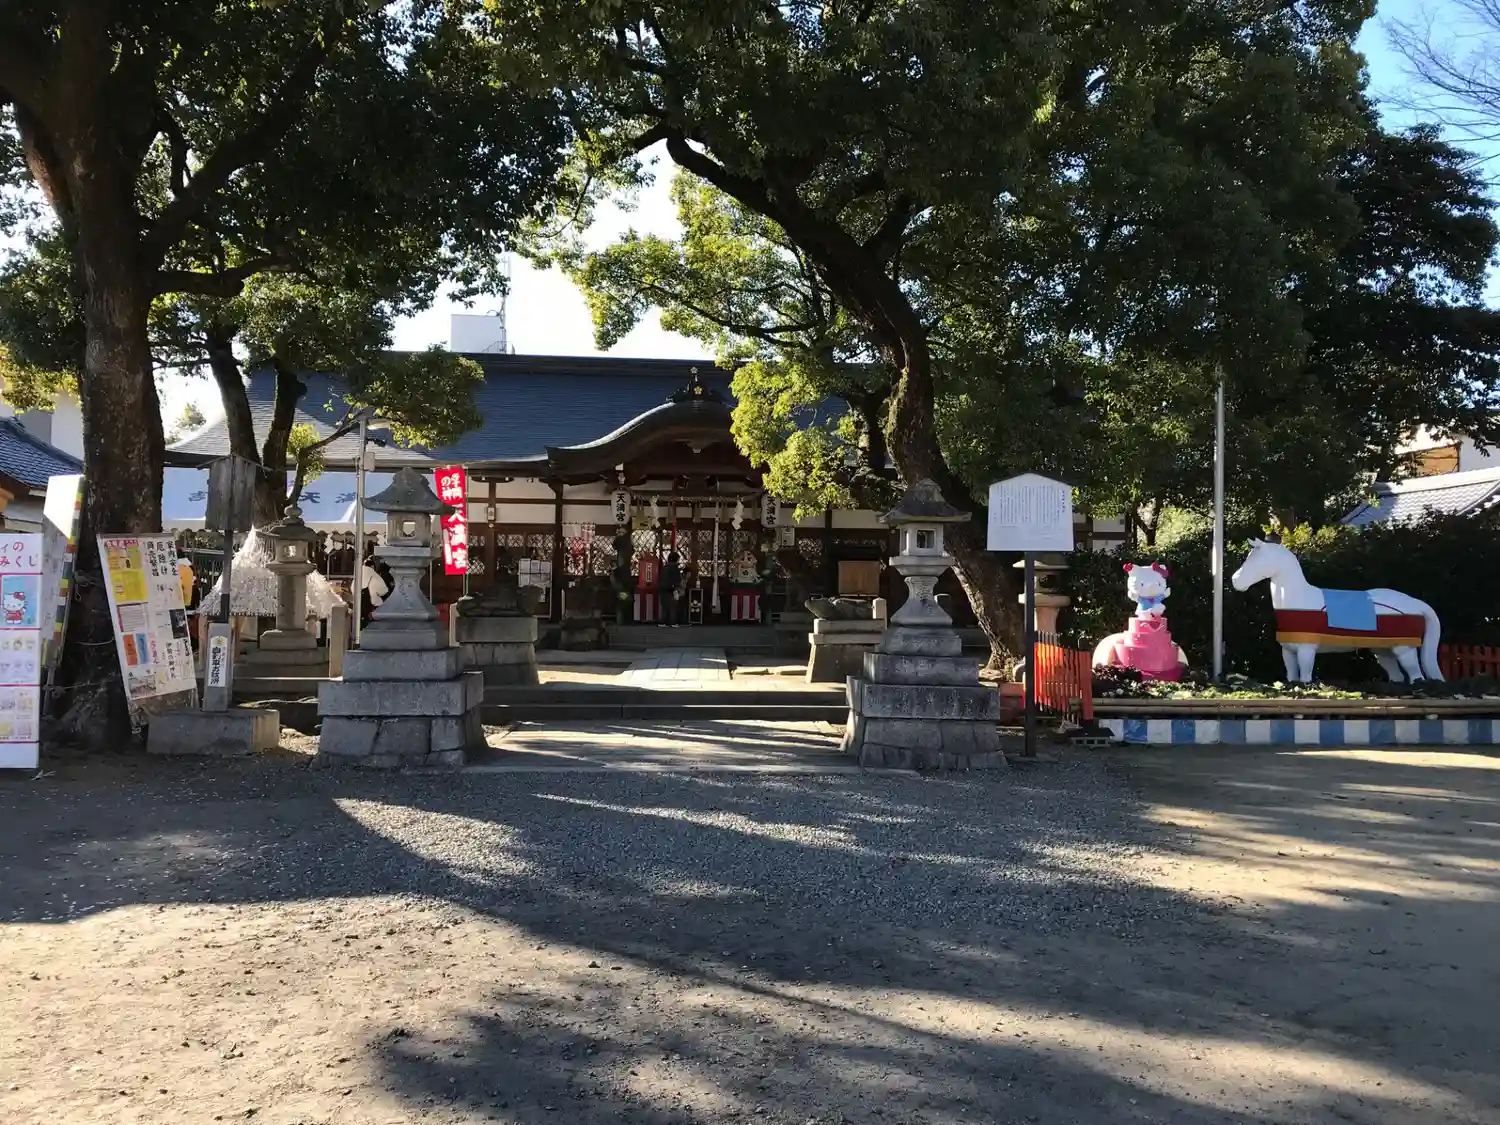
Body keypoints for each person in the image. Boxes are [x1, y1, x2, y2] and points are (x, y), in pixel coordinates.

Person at [360, 546, 389, 628]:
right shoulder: (374, 574)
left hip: (359, 603)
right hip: (372, 604)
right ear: (373, 565)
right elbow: (384, 590)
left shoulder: (359, 572)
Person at [659, 551, 682, 628]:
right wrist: (676, 588)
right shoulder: (675, 568)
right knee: (673, 606)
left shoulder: (665, 567)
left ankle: (662, 622)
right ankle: (673, 622)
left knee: (665, 606)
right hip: (671, 588)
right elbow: (677, 579)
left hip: (662, 588)